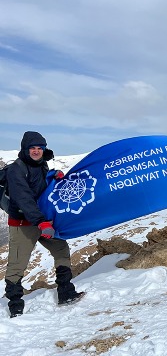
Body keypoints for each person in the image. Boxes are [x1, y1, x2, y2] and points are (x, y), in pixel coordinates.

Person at [4, 131, 84, 318]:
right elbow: (24, 199)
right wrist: (41, 222)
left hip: (42, 221)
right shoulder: (16, 169)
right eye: (32, 148)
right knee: (17, 264)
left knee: (61, 249)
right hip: (23, 224)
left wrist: (54, 177)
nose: (36, 151)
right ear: (25, 149)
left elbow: (41, 189)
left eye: (39, 148)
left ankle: (65, 292)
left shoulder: (42, 165)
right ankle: (15, 307)